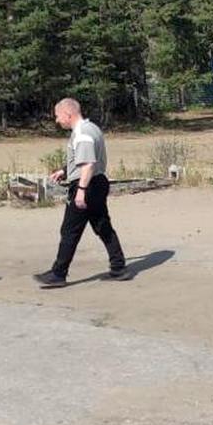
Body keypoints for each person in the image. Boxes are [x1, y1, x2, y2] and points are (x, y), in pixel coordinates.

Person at [34, 98, 129, 287]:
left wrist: (81, 191)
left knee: (70, 230)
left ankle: (58, 274)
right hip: (98, 183)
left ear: (68, 114)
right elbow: (85, 158)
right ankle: (119, 267)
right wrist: (65, 170)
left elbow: (88, 164)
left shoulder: (82, 134)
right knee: (102, 226)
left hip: (87, 185)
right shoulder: (91, 128)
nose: (57, 120)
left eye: (58, 116)